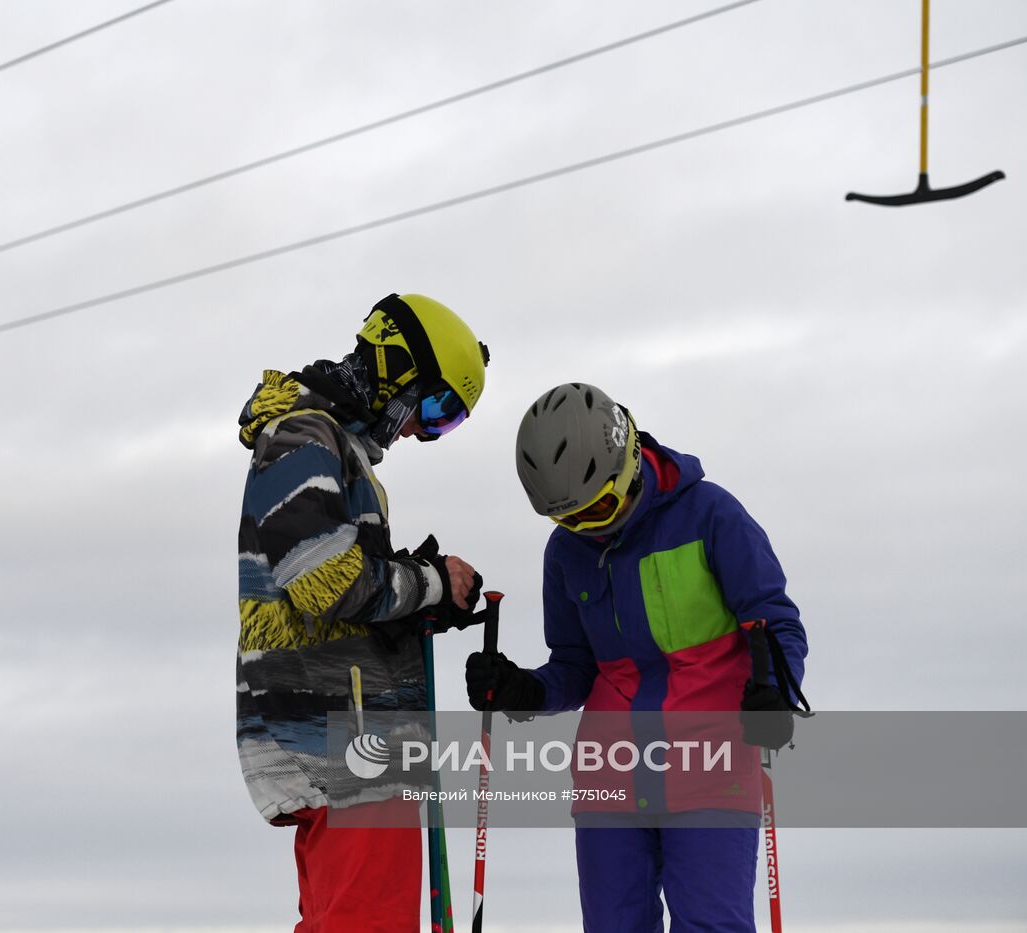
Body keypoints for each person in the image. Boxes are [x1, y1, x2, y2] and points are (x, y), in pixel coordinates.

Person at [466, 382, 810, 933]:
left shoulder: (710, 516)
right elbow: (576, 667)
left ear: (627, 460)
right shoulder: (567, 552)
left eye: (599, 506)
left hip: (711, 762)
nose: (590, 528)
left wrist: (778, 693)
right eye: (569, 519)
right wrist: (524, 689)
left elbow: (775, 622)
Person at [236, 292, 490, 932]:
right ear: (397, 367)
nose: (421, 431)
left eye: (445, 423)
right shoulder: (302, 437)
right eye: (433, 408)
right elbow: (321, 579)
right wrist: (426, 584)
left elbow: (332, 578)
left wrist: (415, 599)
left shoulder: (323, 444)